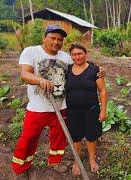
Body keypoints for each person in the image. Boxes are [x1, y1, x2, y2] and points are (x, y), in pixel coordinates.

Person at [11, 25, 104, 175]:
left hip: (61, 106)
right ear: (44, 38)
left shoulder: (65, 57)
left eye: (59, 40)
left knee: (59, 138)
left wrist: (97, 69)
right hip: (38, 107)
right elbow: (24, 74)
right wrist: (39, 80)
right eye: (52, 38)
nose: (56, 42)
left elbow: (79, 64)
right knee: (29, 137)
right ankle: (20, 166)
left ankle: (54, 162)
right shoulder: (31, 52)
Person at [66, 43, 107, 175]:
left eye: (80, 53)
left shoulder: (95, 70)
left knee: (91, 136)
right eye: (74, 54)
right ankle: (77, 161)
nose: (77, 57)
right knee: (76, 137)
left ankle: (91, 160)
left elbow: (102, 91)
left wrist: (103, 110)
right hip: (73, 111)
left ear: (85, 54)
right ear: (71, 56)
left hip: (91, 109)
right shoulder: (67, 69)